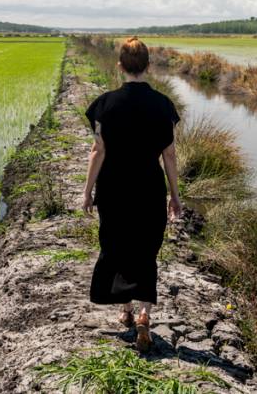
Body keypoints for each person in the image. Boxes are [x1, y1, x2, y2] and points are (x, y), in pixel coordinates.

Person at [82, 36, 182, 353]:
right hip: (149, 188)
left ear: (120, 65)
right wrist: (175, 196)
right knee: (146, 250)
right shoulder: (163, 106)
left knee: (116, 246)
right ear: (148, 66)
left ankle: (124, 310)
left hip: (113, 189)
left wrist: (87, 192)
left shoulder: (105, 105)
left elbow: (97, 152)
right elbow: (170, 156)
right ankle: (143, 314)